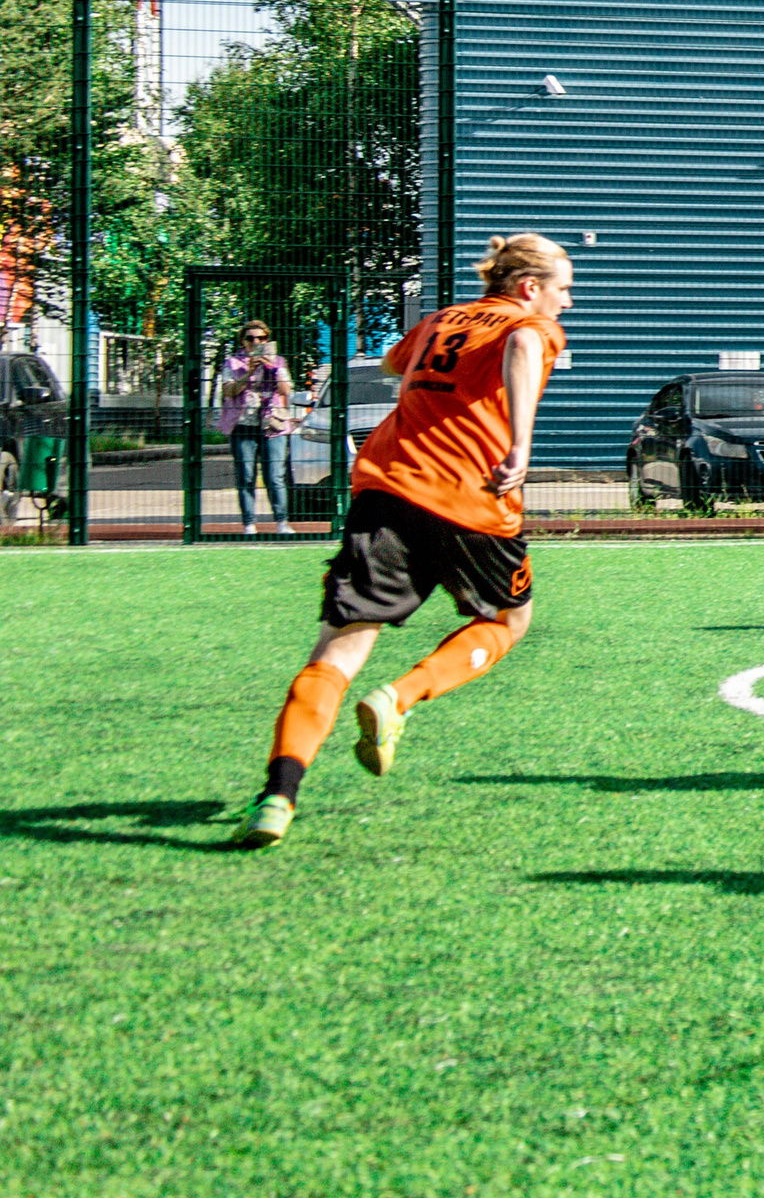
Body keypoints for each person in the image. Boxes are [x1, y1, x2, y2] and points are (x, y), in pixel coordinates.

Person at [233, 234, 574, 849]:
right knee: (509, 619)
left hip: (386, 487)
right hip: (471, 497)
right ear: (529, 288)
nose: (566, 303)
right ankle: (400, 697)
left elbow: (398, 365)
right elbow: (524, 344)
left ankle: (277, 796)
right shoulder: (529, 324)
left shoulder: (439, 321)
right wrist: (519, 444)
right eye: (562, 289)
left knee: (334, 652)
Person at [217, 320, 296, 535]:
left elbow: (286, 390)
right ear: (243, 341)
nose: (256, 342)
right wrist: (247, 373)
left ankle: (282, 522)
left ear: (267, 340)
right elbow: (229, 391)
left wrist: (273, 367)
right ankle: (249, 523)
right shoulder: (232, 363)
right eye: (250, 338)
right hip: (243, 426)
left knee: (274, 476)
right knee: (246, 475)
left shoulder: (278, 361)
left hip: (273, 426)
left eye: (261, 338)